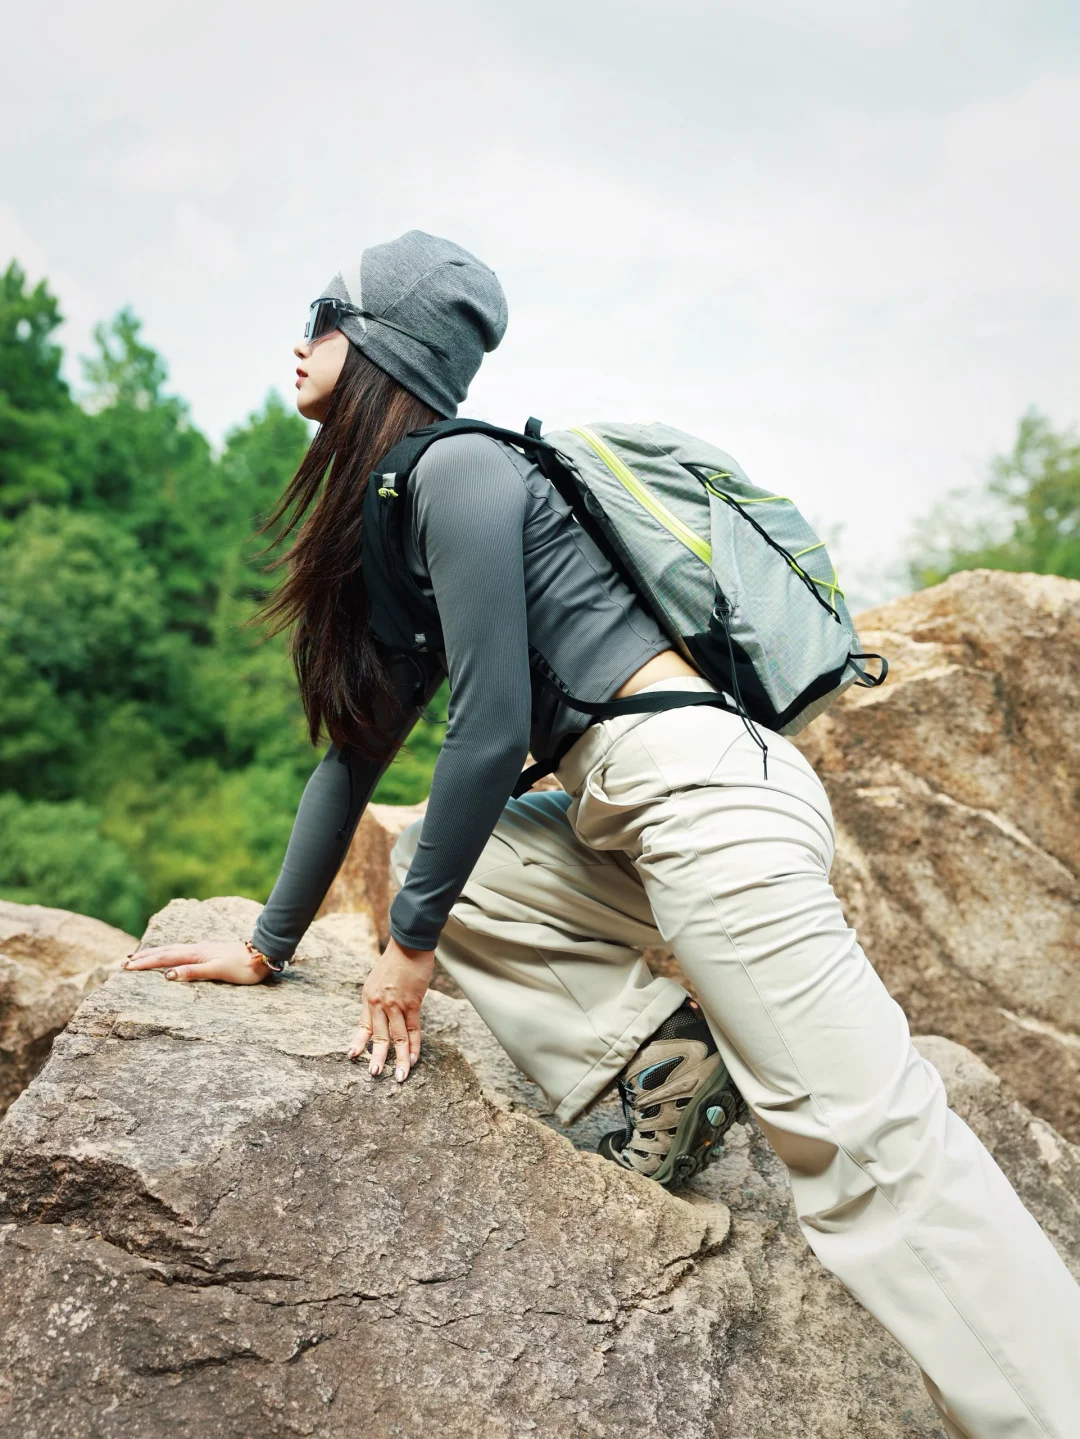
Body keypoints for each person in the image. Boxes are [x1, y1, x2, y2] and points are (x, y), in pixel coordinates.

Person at [125, 230, 1080, 1436]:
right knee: (438, 864)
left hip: (703, 796)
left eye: (320, 313)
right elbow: (357, 753)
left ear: (372, 342)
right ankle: (663, 1054)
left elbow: (490, 727)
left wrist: (407, 952)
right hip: (631, 814)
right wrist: (267, 945)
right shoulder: (397, 509)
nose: (297, 339)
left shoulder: (460, 469)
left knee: (871, 1160)